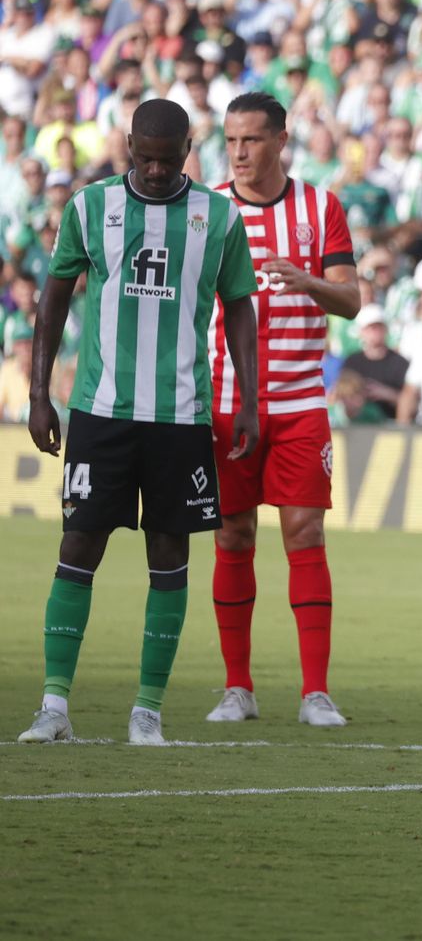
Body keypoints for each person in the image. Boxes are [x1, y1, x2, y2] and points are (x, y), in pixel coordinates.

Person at [17, 98, 259, 747]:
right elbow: (53, 301)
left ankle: (147, 712)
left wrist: (251, 400)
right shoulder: (90, 208)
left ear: (187, 149)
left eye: (167, 157)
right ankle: (53, 706)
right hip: (101, 411)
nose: (154, 170)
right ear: (128, 146)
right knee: (78, 547)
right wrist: (40, 394)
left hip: (182, 417)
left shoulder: (219, 215)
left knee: (169, 553)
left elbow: (239, 307)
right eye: (144, 157)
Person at [205, 92, 359, 729]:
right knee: (233, 535)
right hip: (226, 405)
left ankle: (315, 692)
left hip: (299, 404)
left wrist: (307, 281)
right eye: (231, 141)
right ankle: (237, 687)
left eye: (252, 140)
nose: (240, 153)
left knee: (305, 533)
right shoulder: (207, 209)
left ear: (281, 140)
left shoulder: (320, 208)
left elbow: (350, 300)